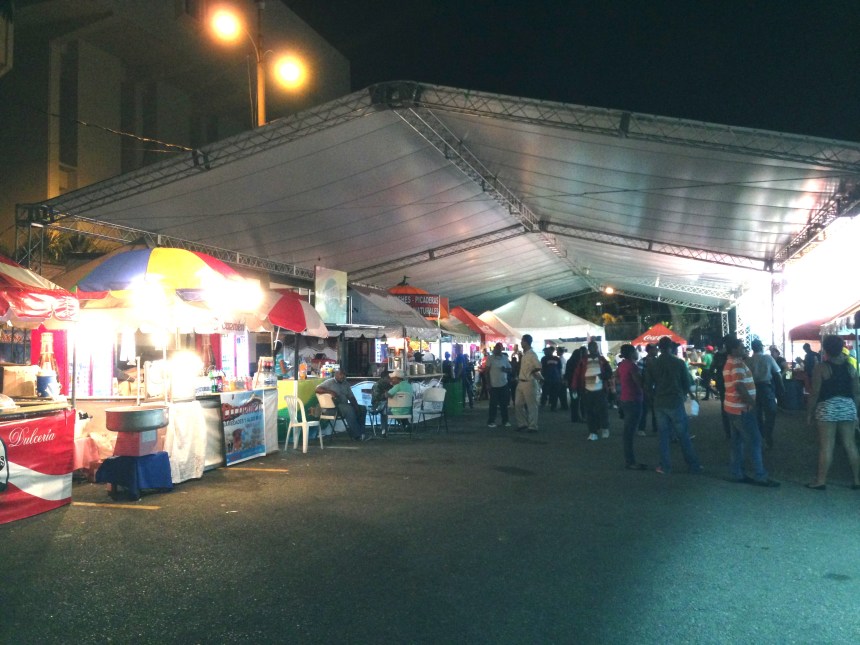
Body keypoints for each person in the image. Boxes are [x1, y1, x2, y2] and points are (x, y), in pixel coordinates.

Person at [806, 335, 860, 490]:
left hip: (827, 407)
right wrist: (856, 413)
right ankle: (857, 480)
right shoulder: (851, 367)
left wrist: (809, 413)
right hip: (848, 406)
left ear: (825, 349)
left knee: (826, 446)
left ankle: (821, 481)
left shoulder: (821, 367)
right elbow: (856, 393)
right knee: (850, 445)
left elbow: (815, 392)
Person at [723, 337, 780, 487]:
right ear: (734, 349)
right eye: (741, 347)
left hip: (731, 407)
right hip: (741, 408)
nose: (744, 349)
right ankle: (760, 475)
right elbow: (740, 386)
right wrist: (752, 403)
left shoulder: (730, 362)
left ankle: (736, 472)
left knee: (737, 442)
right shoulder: (737, 364)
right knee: (755, 441)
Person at [643, 336, 703, 475]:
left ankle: (665, 466)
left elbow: (647, 385)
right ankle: (693, 465)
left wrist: (653, 397)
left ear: (659, 348)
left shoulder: (653, 364)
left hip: (659, 402)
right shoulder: (679, 363)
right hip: (675, 401)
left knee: (663, 436)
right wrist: (687, 395)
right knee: (683, 434)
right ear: (671, 347)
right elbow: (687, 383)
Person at [747, 338, 784, 449]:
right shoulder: (768, 358)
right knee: (771, 413)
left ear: (752, 348)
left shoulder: (747, 361)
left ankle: (760, 434)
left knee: (756, 414)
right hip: (766, 388)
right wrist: (781, 389)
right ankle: (768, 435)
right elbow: (777, 374)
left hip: (752, 389)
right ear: (761, 347)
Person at [571, 340, 612, 441]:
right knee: (589, 412)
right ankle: (593, 432)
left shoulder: (602, 360)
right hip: (587, 390)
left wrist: (602, 376)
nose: (593, 349)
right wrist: (574, 387)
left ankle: (604, 428)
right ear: (589, 349)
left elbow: (609, 372)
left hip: (600, 390)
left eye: (594, 347)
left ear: (597, 348)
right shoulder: (583, 360)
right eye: (591, 347)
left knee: (602, 411)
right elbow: (576, 374)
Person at [315, 369, 370, 441]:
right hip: (332, 408)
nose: (343, 376)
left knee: (362, 408)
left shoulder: (345, 383)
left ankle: (362, 433)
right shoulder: (329, 382)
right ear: (336, 375)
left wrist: (356, 406)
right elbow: (317, 389)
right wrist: (330, 391)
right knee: (349, 410)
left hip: (343, 405)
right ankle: (357, 435)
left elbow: (351, 397)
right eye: (341, 374)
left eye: (344, 375)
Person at [616, 344, 647, 470]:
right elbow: (639, 382)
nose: (637, 353)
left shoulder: (622, 365)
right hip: (633, 399)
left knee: (628, 431)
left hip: (625, 398)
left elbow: (617, 378)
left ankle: (630, 460)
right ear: (630, 353)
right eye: (635, 351)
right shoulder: (632, 366)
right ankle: (630, 461)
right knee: (629, 432)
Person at [514, 334, 543, 433]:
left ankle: (532, 426)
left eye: (522, 341)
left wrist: (531, 372)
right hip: (522, 381)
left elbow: (538, 366)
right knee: (518, 404)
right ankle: (523, 423)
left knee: (531, 405)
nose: (521, 343)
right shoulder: (525, 354)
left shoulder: (531, 354)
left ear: (526, 342)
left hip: (529, 382)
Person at [710, 337, 732, 439]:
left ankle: (728, 431)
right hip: (732, 382)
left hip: (722, 383)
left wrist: (714, 379)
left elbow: (712, 368)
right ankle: (733, 430)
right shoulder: (733, 354)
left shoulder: (718, 355)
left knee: (725, 407)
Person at [485, 342, 512, 428]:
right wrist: (488, 384)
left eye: (499, 348)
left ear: (501, 349)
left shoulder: (505, 358)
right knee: (493, 404)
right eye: (496, 348)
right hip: (494, 385)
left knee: (504, 404)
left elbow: (510, 369)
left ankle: (505, 420)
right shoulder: (490, 358)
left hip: (503, 384)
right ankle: (491, 421)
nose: (497, 350)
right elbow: (487, 371)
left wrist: (505, 370)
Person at [637, 344, 658, 435]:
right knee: (645, 409)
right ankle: (642, 428)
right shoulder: (643, 361)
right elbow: (639, 375)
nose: (656, 351)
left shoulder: (657, 361)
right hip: (647, 388)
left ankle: (655, 428)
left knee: (655, 409)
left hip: (655, 388)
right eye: (654, 349)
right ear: (649, 351)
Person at [539, 346, 563, 411]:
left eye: (546, 351)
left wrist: (560, 377)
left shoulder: (556, 359)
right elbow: (542, 369)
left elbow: (560, 369)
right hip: (549, 378)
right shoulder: (544, 359)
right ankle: (547, 404)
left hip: (553, 378)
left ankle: (552, 405)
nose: (545, 352)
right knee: (546, 392)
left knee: (552, 393)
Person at [453, 345, 474, 410]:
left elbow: (460, 367)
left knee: (464, 391)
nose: (454, 350)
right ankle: (469, 405)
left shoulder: (459, 357)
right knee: (467, 391)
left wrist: (457, 376)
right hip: (464, 376)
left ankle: (463, 406)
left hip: (462, 377)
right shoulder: (460, 356)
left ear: (457, 350)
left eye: (454, 349)